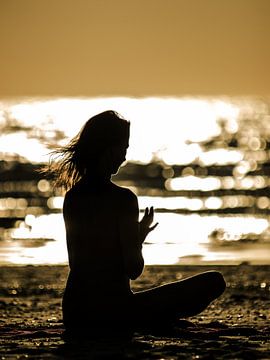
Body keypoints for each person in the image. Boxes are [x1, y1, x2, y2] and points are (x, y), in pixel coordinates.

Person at [49, 110, 226, 339]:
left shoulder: (72, 197)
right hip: (115, 313)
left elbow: (79, 262)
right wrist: (137, 240)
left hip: (76, 313)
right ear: (109, 149)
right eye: (124, 148)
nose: (124, 157)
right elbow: (133, 269)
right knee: (214, 281)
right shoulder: (123, 199)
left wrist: (133, 237)